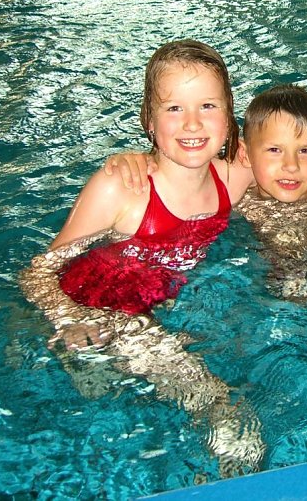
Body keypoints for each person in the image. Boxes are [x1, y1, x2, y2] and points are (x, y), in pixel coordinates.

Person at [20, 39, 263, 477]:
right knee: (214, 401)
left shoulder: (235, 176)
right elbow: (38, 273)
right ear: (148, 122)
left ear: (230, 121)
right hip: (95, 315)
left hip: (151, 309)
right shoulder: (122, 188)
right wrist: (67, 318)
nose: (192, 122)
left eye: (208, 106)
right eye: (173, 109)